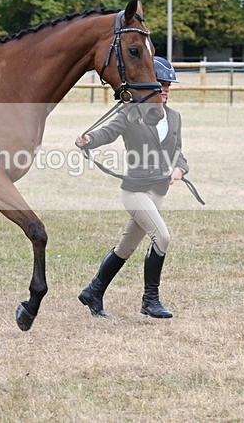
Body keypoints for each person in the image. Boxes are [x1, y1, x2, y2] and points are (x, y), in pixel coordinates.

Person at [75, 56, 188, 319]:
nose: (166, 89)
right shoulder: (131, 113)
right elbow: (108, 132)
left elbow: (179, 151)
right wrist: (89, 139)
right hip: (135, 191)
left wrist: (179, 168)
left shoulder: (174, 117)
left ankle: (93, 291)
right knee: (162, 237)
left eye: (169, 85)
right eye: (161, 84)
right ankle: (150, 300)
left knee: (125, 248)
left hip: (157, 191)